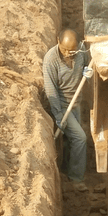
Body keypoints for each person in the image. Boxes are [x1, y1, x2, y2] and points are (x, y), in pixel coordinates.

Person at [42, 29, 91, 184]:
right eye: (65, 50)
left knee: (71, 140)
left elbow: (88, 63)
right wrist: (58, 116)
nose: (69, 54)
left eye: (72, 50)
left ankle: (65, 169)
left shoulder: (82, 50)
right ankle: (76, 178)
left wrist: (88, 73)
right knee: (80, 138)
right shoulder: (51, 59)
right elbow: (51, 90)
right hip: (62, 105)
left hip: (76, 102)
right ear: (58, 41)